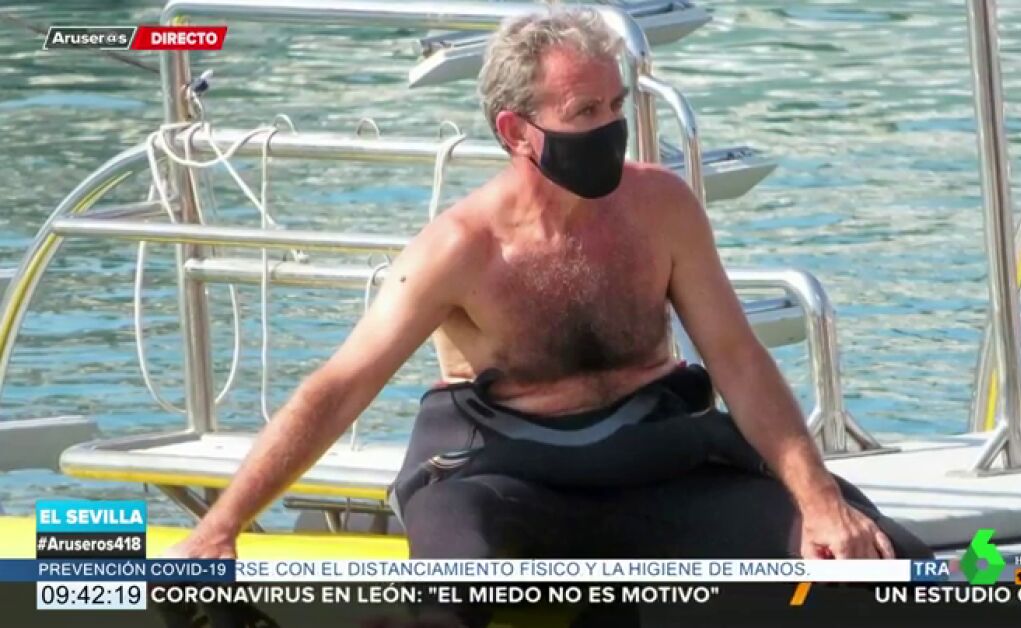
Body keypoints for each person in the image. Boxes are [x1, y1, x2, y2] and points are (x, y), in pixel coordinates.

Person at [171, 7, 929, 568]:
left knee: (891, 565)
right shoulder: (460, 248)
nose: (608, 127)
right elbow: (339, 387)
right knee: (453, 587)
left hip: (659, 462)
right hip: (509, 480)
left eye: (615, 106)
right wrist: (221, 527)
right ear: (515, 132)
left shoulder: (662, 207)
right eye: (583, 112)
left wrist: (818, 500)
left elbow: (738, 359)